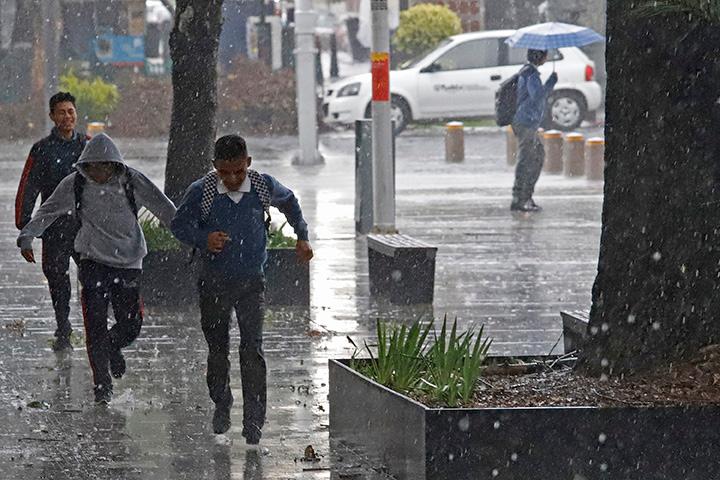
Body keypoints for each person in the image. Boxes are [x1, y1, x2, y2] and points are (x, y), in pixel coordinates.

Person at [171, 134, 313, 443]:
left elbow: (290, 201)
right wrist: (203, 238)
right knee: (217, 351)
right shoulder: (202, 191)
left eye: (239, 170)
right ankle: (222, 402)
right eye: (225, 172)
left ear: (248, 163)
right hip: (213, 282)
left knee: (252, 351)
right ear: (215, 167)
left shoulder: (262, 186)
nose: (233, 179)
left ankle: (254, 423)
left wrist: (302, 235)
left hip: (252, 282)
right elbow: (178, 225)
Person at [17, 133, 176, 404]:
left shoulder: (132, 180)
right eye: (93, 167)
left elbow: (164, 207)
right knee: (94, 325)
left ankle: (113, 346)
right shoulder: (75, 183)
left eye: (104, 166)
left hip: (128, 262)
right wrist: (27, 236)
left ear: (114, 164)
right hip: (92, 262)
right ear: (85, 165)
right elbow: (49, 210)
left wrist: (192, 237)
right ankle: (102, 385)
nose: (98, 172)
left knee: (131, 324)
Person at [15, 92, 88, 351]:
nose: (67, 117)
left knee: (92, 277)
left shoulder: (87, 146)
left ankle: (94, 326)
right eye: (61, 112)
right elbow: (28, 187)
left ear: (76, 113)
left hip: (85, 226)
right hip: (55, 227)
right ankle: (63, 326)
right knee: (57, 279)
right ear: (52, 117)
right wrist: (26, 227)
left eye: (71, 111)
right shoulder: (42, 149)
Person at [511, 49, 558, 212]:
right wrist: (551, 83)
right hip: (525, 123)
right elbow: (537, 96)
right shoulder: (530, 74)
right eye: (545, 55)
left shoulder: (528, 72)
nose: (546, 58)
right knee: (528, 159)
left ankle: (526, 196)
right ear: (541, 57)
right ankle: (520, 198)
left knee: (537, 157)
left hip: (527, 122)